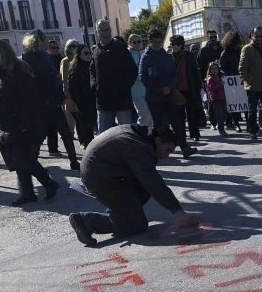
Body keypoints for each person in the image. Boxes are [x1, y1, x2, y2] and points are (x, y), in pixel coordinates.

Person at [68, 124, 200, 246]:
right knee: (137, 224)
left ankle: (122, 212)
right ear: (158, 141)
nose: (167, 155)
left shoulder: (140, 136)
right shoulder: (137, 146)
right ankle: (86, 222)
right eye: (167, 150)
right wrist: (178, 211)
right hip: (100, 178)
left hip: (105, 172)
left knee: (144, 188)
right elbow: (153, 182)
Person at [0, 38, 58, 206]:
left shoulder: (19, 70)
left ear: (4, 52)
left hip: (21, 124)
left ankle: (48, 183)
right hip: (5, 124)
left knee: (22, 158)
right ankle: (28, 192)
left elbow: (30, 99)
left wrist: (25, 123)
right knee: (18, 160)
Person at [21, 29, 79, 170]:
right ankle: (72, 162)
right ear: (39, 41)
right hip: (45, 104)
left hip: (46, 103)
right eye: (45, 39)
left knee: (47, 137)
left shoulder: (34, 57)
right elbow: (43, 79)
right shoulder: (36, 58)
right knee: (56, 135)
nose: (48, 41)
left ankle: (72, 161)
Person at [139, 29, 192, 158]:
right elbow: (143, 77)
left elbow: (175, 75)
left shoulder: (167, 56)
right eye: (155, 42)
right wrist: (159, 89)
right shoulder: (146, 57)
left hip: (170, 95)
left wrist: (169, 87)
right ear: (150, 41)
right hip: (154, 98)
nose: (157, 44)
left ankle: (184, 147)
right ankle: (159, 151)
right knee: (159, 126)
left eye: (159, 42)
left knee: (178, 123)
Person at [91, 19, 138, 132]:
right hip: (103, 102)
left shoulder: (120, 47)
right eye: (101, 30)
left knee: (126, 134)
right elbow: (92, 71)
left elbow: (133, 70)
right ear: (97, 32)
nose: (105, 33)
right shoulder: (96, 51)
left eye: (107, 29)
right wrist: (94, 85)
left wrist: (124, 88)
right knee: (103, 136)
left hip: (122, 101)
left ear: (111, 31)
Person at [170, 34, 205, 141]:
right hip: (177, 90)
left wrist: (198, 87)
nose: (172, 46)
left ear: (180, 45)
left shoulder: (189, 56)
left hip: (189, 88)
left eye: (173, 44)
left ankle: (195, 134)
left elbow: (195, 72)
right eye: (171, 44)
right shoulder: (170, 57)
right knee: (179, 115)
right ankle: (182, 135)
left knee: (192, 113)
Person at [66, 44, 97, 150]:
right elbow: (72, 89)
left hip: (95, 102)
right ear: (79, 55)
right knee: (88, 132)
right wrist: (81, 103)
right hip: (84, 105)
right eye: (86, 53)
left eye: (90, 53)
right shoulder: (76, 69)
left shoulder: (93, 65)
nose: (89, 55)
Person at [219, 30, 244, 132]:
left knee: (243, 101)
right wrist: (226, 76)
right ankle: (236, 123)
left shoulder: (240, 51)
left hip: (241, 79)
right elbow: (222, 67)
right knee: (233, 103)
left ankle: (248, 123)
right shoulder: (225, 53)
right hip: (231, 81)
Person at [127, 34, 153, 132]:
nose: (137, 43)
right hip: (135, 90)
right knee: (144, 116)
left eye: (139, 41)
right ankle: (140, 134)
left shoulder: (145, 54)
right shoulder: (128, 55)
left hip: (148, 88)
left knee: (151, 117)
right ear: (129, 43)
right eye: (134, 42)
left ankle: (151, 138)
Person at [204, 61, 228, 136]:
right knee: (219, 115)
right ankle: (221, 130)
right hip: (216, 99)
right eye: (213, 69)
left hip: (221, 98)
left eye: (216, 68)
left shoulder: (217, 77)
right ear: (210, 70)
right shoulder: (210, 78)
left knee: (224, 114)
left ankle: (220, 126)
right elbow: (212, 88)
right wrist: (221, 85)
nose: (215, 70)